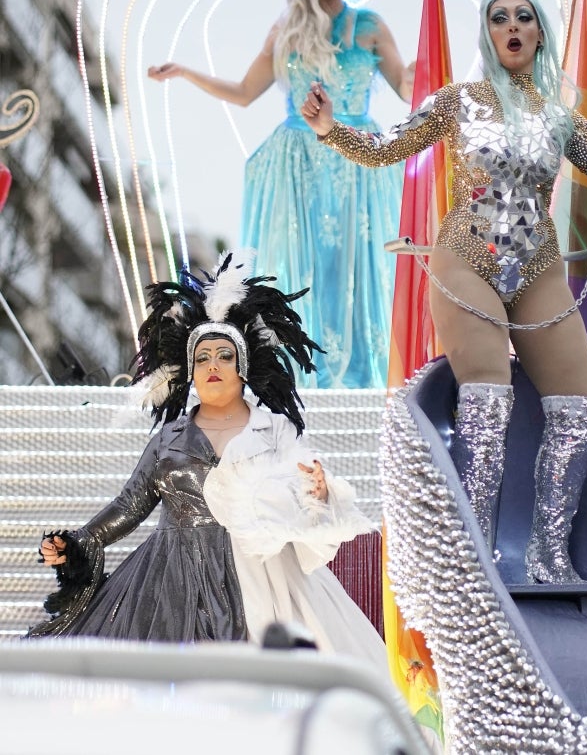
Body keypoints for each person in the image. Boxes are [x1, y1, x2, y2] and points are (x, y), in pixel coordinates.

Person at [301, 0, 587, 584]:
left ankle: (548, 557)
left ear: (537, 34)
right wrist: (329, 129)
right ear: (487, 31)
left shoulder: (561, 118)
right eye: (498, 16)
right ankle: (475, 563)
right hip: (468, 258)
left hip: (536, 265)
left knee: (580, 407)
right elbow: (388, 149)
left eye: (523, 17)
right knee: (486, 400)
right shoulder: (457, 102)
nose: (511, 25)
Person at [28, 252, 385, 663]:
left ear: (244, 365)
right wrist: (78, 543)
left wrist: (318, 492)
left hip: (263, 576)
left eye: (224, 356)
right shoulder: (170, 438)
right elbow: (131, 504)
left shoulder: (274, 430)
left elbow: (306, 493)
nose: (212, 365)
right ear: (190, 370)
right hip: (169, 581)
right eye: (202, 357)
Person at [148, 0, 415, 389]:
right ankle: (299, 373)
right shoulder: (285, 29)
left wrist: (434, 61)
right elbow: (243, 92)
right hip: (295, 164)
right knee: (301, 263)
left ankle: (363, 375)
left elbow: (408, 87)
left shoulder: (369, 25)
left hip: (355, 156)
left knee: (355, 263)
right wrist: (187, 73)